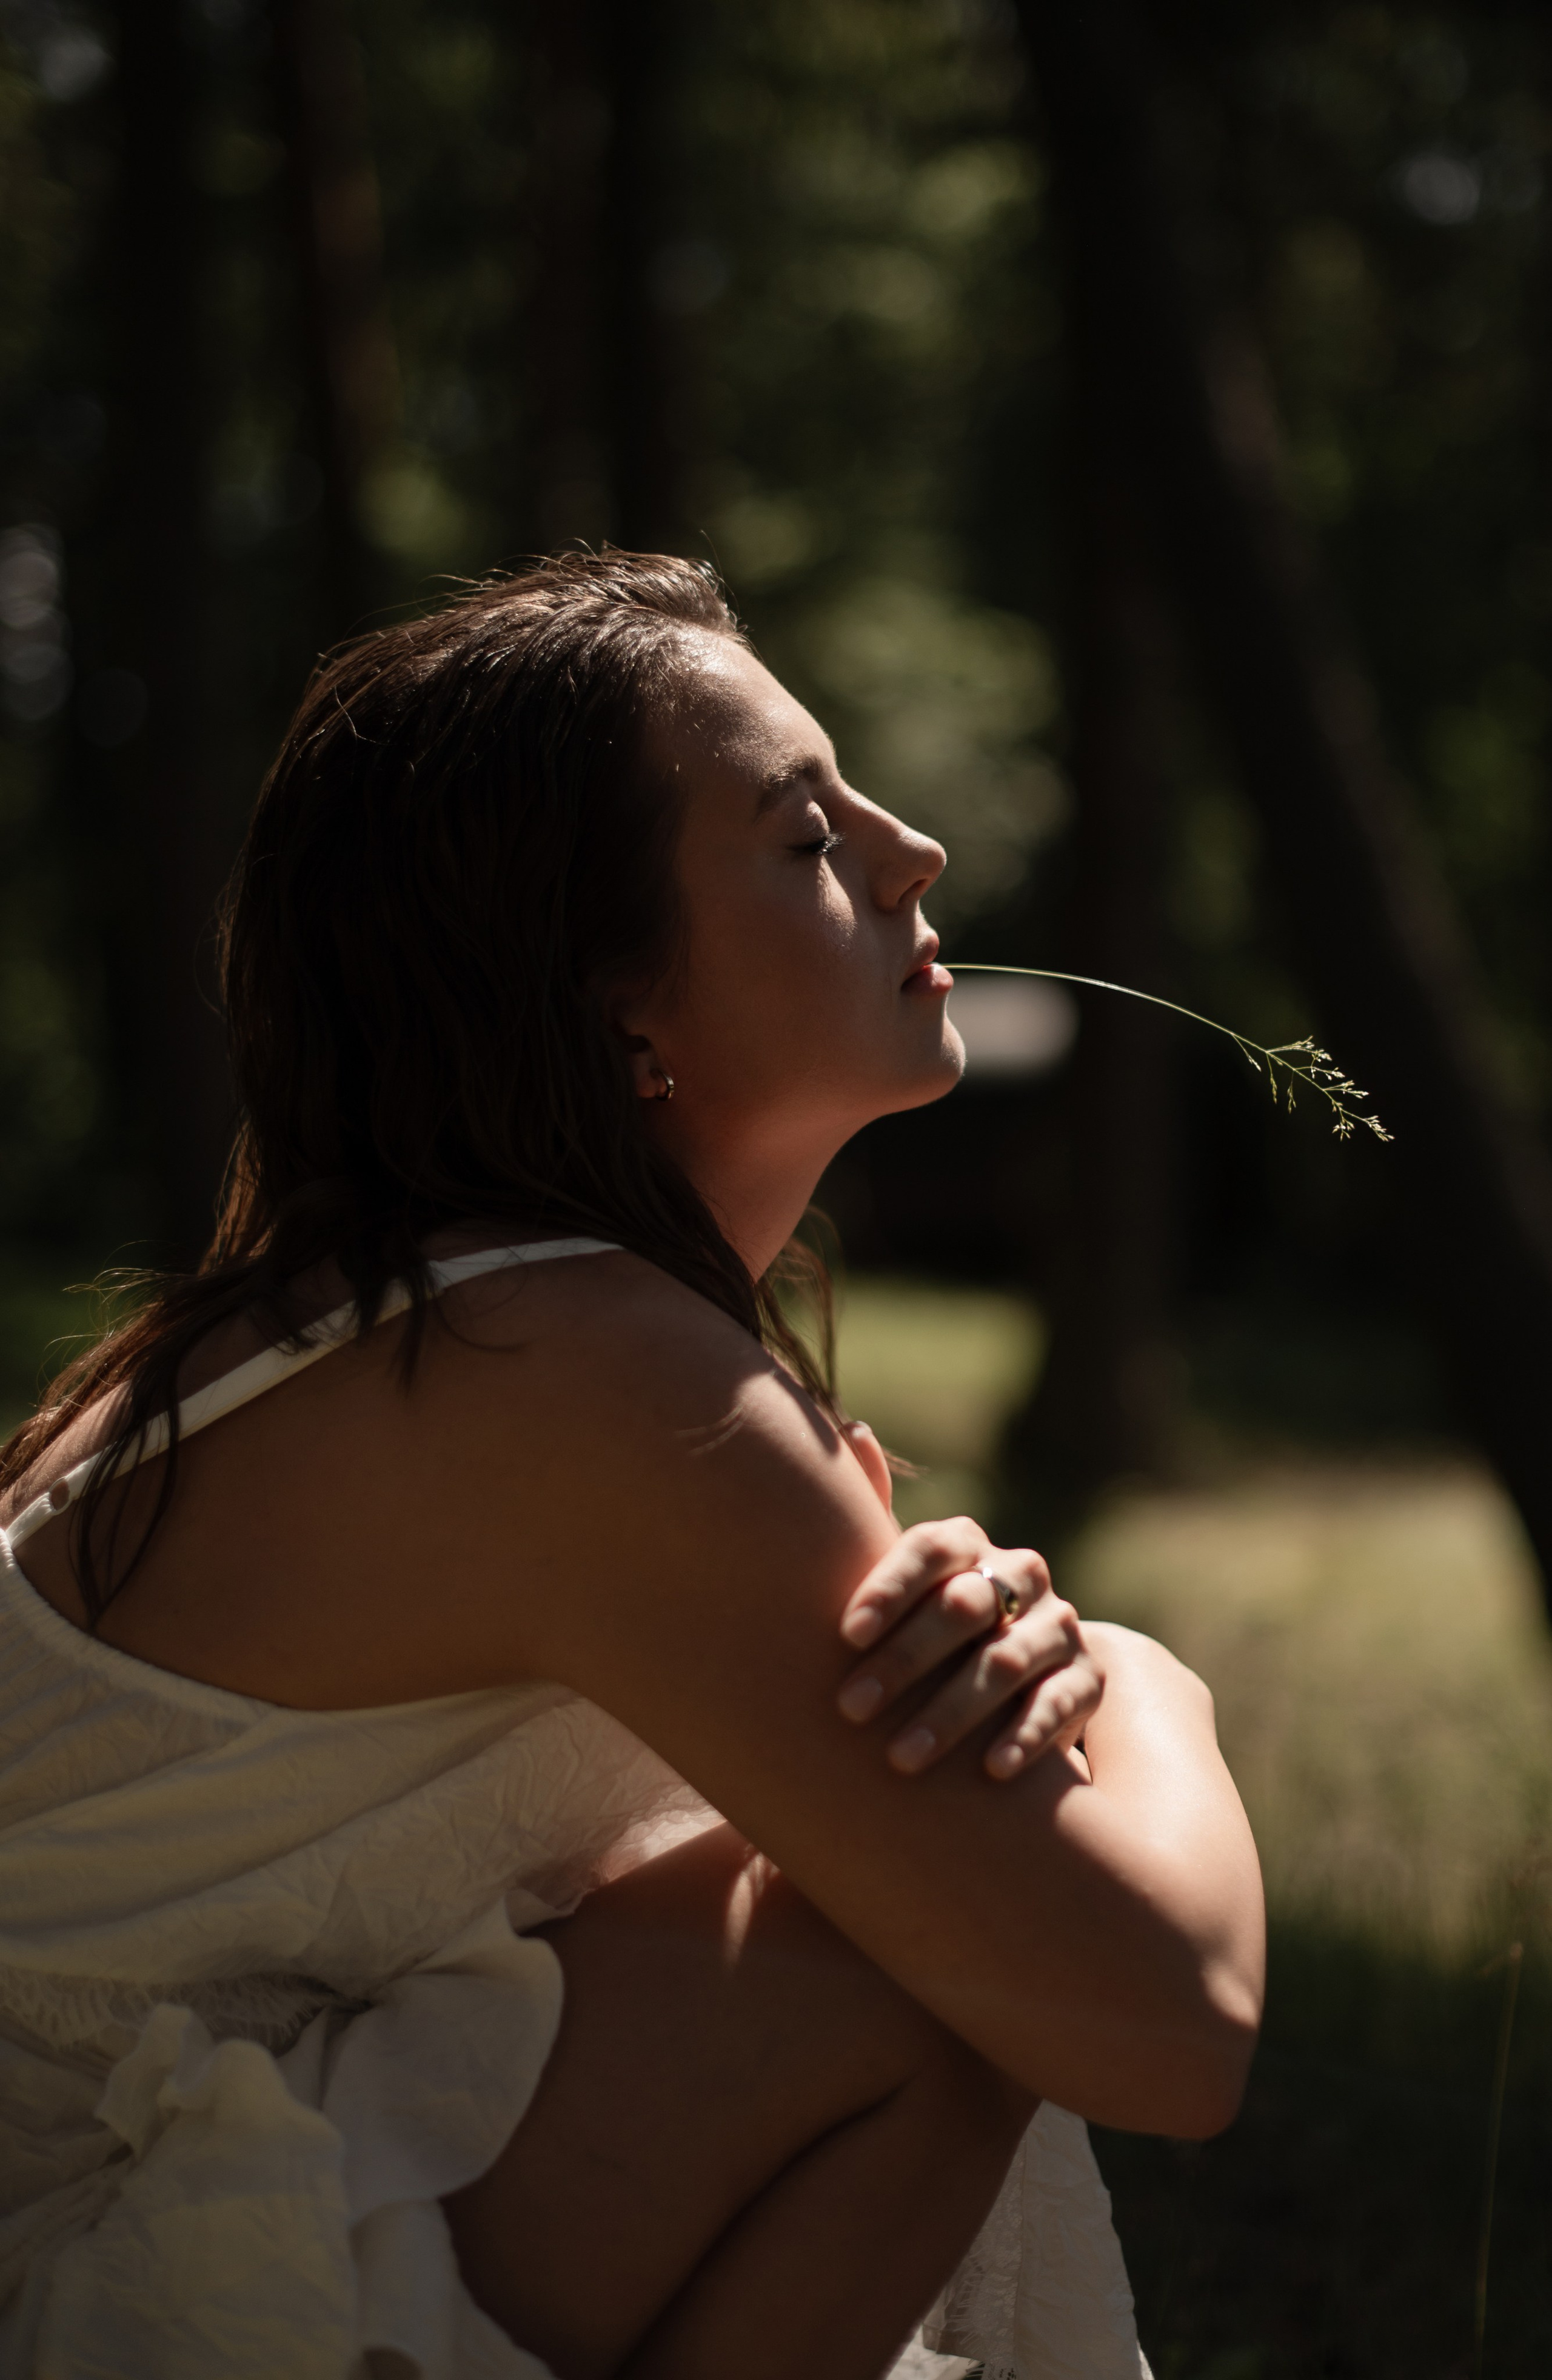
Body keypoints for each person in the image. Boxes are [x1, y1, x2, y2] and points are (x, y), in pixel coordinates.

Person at [0, 552, 1263, 2380]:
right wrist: (1150, 1679)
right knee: (918, 1972)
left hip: (171, 2240)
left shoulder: (420, 1327)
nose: (911, 853)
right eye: (804, 835)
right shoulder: (573, 1375)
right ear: (612, 999)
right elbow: (1168, 2023)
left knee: (918, 1903)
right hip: (116, 2300)